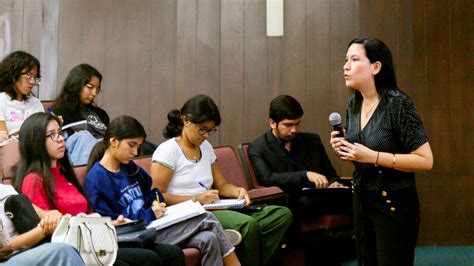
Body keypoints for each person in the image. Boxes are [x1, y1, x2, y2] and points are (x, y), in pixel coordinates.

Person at [13, 112, 185, 266]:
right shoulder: (34, 180)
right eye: (52, 135)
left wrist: (111, 224)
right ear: (35, 141)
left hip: (95, 237)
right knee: (147, 258)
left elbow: (90, 215)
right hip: (75, 247)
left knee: (172, 254)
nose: (60, 139)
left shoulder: (63, 173)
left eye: (60, 133)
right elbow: (47, 232)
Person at [150, 94, 293, 266]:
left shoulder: (206, 147)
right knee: (248, 225)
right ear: (186, 120)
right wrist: (196, 199)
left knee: (281, 214)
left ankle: (247, 255)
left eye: (210, 130)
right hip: (191, 214)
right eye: (202, 129)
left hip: (215, 206)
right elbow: (156, 196)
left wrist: (238, 192)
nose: (206, 135)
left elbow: (222, 185)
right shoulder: (168, 150)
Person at [330, 37, 433, 265]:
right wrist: (347, 150)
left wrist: (372, 156)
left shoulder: (398, 104)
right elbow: (363, 157)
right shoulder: (353, 104)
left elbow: (426, 161)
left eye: (355, 59)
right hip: (362, 200)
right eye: (346, 60)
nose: (345, 66)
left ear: (376, 67)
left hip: (393, 203)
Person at [85, 115, 240, 266]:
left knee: (209, 239)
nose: (135, 152)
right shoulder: (97, 179)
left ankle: (223, 242)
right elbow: (114, 225)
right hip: (135, 236)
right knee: (207, 218)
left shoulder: (128, 166)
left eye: (138, 146)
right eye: (131, 145)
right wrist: (151, 213)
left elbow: (153, 192)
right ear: (113, 141)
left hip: (155, 225)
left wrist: (154, 202)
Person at [248, 95, 352, 220]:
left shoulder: (312, 140)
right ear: (272, 123)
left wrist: (334, 182)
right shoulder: (258, 147)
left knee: (356, 193)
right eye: (288, 125)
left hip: (320, 195)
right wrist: (305, 175)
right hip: (288, 200)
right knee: (306, 202)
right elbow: (267, 178)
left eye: (297, 124)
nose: (294, 130)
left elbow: (329, 172)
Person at [52, 64, 156, 161]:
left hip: (109, 146)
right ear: (76, 85)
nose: (94, 93)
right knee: (83, 137)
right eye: (90, 87)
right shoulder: (62, 111)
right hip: (89, 151)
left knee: (142, 144)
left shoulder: (100, 113)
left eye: (97, 89)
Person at [0, 184, 85, 266]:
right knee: (63, 252)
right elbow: (3, 247)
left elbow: (41, 213)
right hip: (8, 257)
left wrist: (53, 216)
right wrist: (43, 230)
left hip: (27, 252)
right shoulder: (33, 180)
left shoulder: (5, 190)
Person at [0, 51, 43, 142]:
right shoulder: (2, 100)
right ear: (13, 75)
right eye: (28, 75)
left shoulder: (35, 102)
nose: (32, 82)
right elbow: (3, 138)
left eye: (35, 77)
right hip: (10, 148)